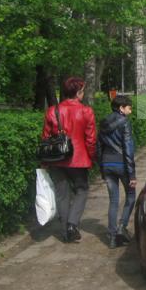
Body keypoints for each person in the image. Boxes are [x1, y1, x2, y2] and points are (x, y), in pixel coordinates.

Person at [41, 77, 96, 243]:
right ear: (78, 92)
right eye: (82, 90)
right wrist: (91, 158)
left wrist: (45, 160)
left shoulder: (52, 110)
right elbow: (91, 140)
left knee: (62, 195)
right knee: (82, 190)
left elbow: (45, 137)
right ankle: (72, 224)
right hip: (78, 159)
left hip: (57, 158)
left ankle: (65, 233)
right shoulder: (86, 111)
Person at [97, 95, 136, 249]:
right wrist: (132, 174)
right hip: (121, 164)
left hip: (107, 164)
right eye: (129, 108)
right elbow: (128, 148)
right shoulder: (125, 123)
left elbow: (98, 147)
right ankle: (122, 227)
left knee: (113, 200)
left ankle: (112, 237)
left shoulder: (103, 122)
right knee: (131, 196)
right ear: (121, 108)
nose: (130, 111)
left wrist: (102, 168)